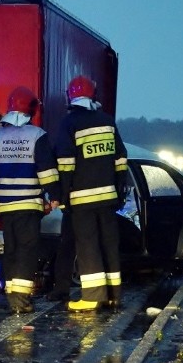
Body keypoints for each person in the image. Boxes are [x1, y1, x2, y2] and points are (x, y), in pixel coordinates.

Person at [56, 75, 128, 311]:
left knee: (88, 246)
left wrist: (63, 196)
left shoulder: (69, 124)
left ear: (71, 96)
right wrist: (119, 190)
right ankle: (113, 295)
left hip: (82, 199)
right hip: (108, 198)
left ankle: (92, 297)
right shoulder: (107, 121)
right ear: (93, 95)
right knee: (109, 244)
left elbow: (65, 164)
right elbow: (120, 158)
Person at [0, 86, 60, 314]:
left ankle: (12, 294)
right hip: (28, 203)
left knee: (11, 248)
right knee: (27, 250)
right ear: (31, 109)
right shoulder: (37, 135)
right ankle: (20, 299)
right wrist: (55, 195)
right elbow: (47, 170)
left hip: (3, 204)